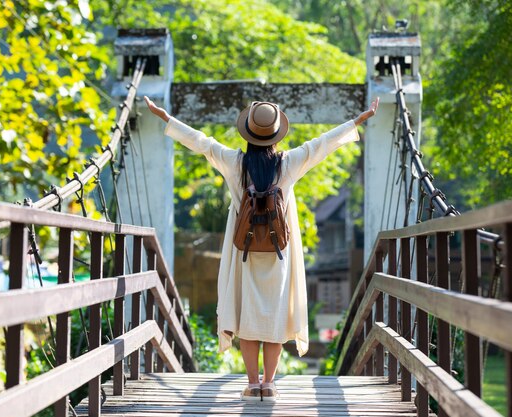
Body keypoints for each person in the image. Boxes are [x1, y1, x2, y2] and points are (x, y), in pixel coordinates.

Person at [144, 95, 379, 402]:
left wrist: (166, 118)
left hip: (244, 253)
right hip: (278, 254)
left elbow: (201, 142)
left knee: (248, 319)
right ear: (276, 133)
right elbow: (322, 144)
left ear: (248, 132)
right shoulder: (289, 163)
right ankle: (269, 383)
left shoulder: (235, 163)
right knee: (274, 319)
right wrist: (357, 121)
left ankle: (252, 383)